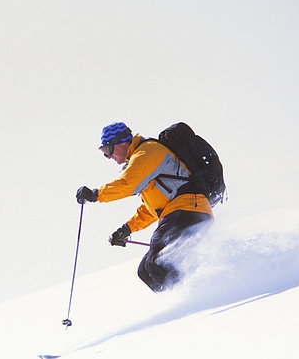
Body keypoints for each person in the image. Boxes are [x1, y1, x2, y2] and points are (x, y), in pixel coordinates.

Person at [76, 121, 213, 292]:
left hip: (188, 208)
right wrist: (126, 229)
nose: (109, 156)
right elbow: (151, 208)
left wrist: (96, 195)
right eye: (104, 152)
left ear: (123, 142)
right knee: (145, 271)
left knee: (157, 261)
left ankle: (197, 294)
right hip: (179, 212)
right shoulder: (142, 161)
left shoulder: (147, 152)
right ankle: (178, 301)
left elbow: (127, 184)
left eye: (108, 150)